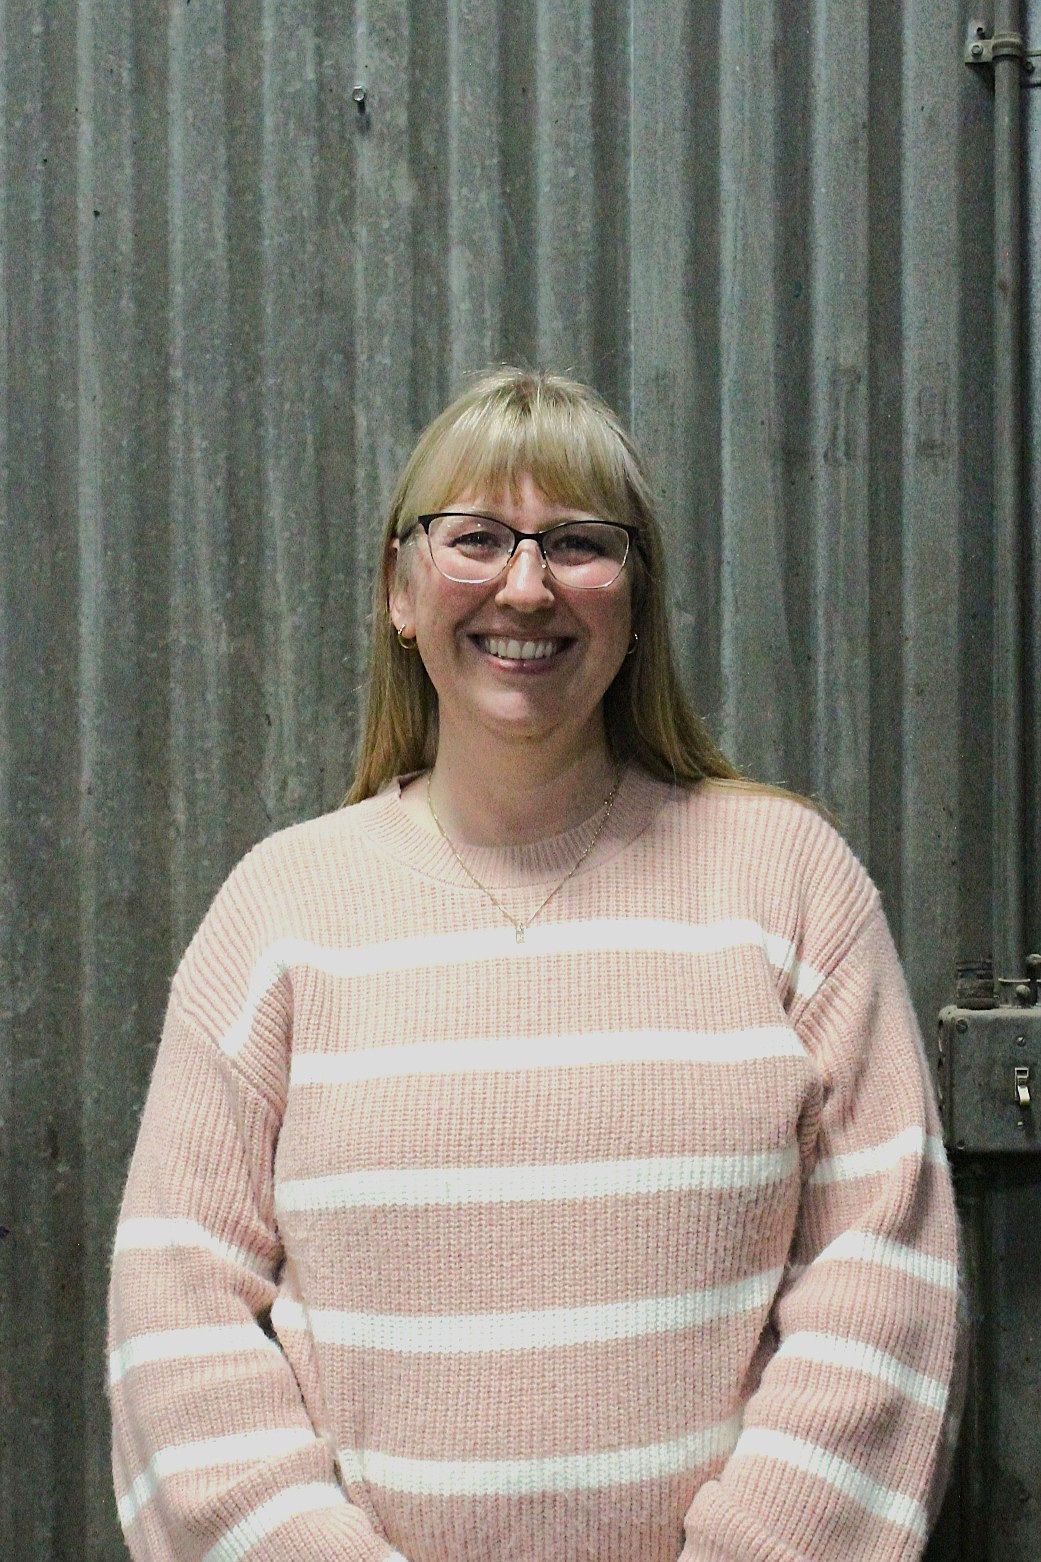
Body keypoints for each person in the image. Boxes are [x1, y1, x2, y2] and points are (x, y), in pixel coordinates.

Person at [107, 366, 966, 1562]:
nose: (526, 583)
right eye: (475, 538)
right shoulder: (281, 906)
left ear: (633, 597)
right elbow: (174, 1304)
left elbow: (886, 1280)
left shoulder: (791, 881)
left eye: (577, 542)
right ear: (401, 591)